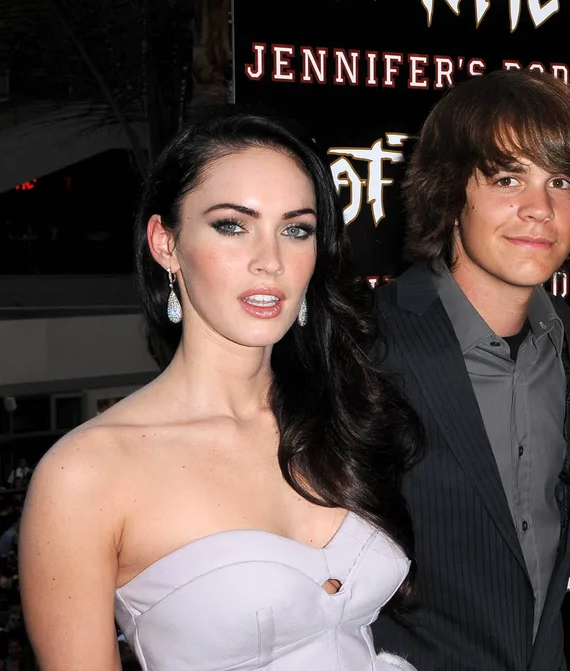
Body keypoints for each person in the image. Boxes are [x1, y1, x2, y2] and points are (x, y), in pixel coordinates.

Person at [19, 111, 422, 671]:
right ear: (165, 243)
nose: (270, 262)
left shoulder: (343, 414)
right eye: (232, 225)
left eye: (296, 229)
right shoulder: (84, 474)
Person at [371, 69, 570, 671]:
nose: (540, 209)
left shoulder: (566, 335)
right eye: (508, 179)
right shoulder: (370, 341)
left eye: (560, 181)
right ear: (450, 194)